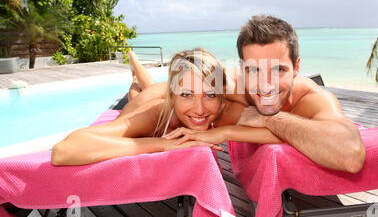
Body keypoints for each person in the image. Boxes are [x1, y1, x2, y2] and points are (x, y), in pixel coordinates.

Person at [128, 16, 366, 173]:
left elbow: (350, 155)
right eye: (254, 70)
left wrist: (265, 120)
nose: (266, 85)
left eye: (279, 70)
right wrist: (131, 113)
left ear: (296, 68)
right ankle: (136, 72)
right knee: (143, 93)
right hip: (170, 89)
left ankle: (136, 74)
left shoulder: (312, 99)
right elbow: (168, 91)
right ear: (243, 69)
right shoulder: (233, 85)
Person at [51, 48, 282, 166]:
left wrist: (222, 132)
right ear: (173, 96)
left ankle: (137, 67)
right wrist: (162, 144)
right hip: (148, 103)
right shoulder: (156, 115)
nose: (200, 110)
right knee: (137, 94)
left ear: (222, 99)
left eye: (211, 95)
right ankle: (134, 64)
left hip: (174, 91)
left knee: (154, 85)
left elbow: (282, 131)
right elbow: (64, 151)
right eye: (187, 95)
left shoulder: (223, 110)